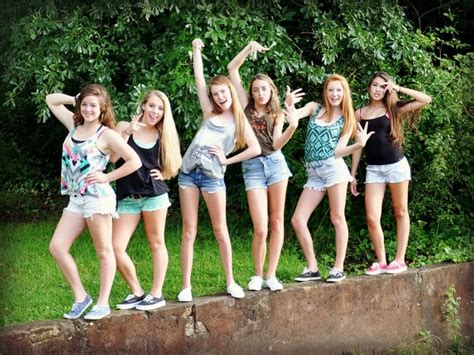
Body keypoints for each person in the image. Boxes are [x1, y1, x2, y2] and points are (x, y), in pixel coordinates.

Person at [46, 84, 142, 320]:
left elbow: (134, 161)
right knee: (57, 247)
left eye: (94, 106)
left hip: (97, 198)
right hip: (76, 199)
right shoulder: (74, 125)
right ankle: (81, 297)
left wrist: (107, 176)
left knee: (103, 250)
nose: (88, 109)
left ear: (102, 109)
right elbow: (51, 100)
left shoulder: (106, 134)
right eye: (85, 105)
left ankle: (102, 303)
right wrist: (75, 98)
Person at [177, 39, 261, 302]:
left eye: (223, 92)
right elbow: (199, 77)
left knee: (220, 229)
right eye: (215, 94)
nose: (219, 97)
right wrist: (196, 50)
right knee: (188, 230)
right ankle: (186, 287)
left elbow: (255, 148)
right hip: (188, 173)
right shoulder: (208, 111)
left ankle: (230, 281)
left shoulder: (239, 119)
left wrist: (226, 160)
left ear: (230, 92)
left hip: (213, 177)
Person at [227, 41, 303, 291]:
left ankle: (271, 275)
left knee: (277, 222)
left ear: (272, 91)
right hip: (252, 168)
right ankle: (257, 275)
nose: (260, 93)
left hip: (275, 165)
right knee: (260, 227)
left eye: (264, 89)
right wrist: (249, 48)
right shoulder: (245, 106)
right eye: (256, 89)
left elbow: (277, 144)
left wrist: (292, 126)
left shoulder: (278, 113)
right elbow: (232, 68)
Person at [291, 74, 374, 283]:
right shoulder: (314, 108)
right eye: (331, 90)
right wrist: (289, 106)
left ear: (344, 93)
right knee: (298, 220)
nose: (335, 94)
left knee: (337, 217)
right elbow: (291, 117)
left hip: (333, 169)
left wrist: (359, 144)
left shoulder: (347, 120)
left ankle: (338, 267)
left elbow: (338, 151)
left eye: (339, 90)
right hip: (313, 172)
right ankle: (312, 268)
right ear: (325, 92)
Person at [350, 71, 431, 275]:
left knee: (400, 211)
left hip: (396, 166)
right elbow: (358, 146)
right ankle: (382, 261)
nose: (378, 89)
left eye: (382, 86)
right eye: (375, 85)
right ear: (369, 87)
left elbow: (425, 99)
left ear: (387, 89)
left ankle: (399, 260)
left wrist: (398, 88)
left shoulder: (392, 109)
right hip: (374, 170)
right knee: (371, 217)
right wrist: (352, 174)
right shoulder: (359, 113)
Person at [111, 90, 182, 311]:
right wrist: (127, 133)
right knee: (115, 247)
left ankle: (156, 294)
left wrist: (166, 175)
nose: (155, 112)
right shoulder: (124, 127)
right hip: (128, 198)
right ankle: (137, 291)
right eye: (152, 106)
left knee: (156, 242)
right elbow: (112, 158)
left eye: (160, 109)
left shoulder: (163, 133)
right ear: (143, 106)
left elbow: (175, 162)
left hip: (154, 196)